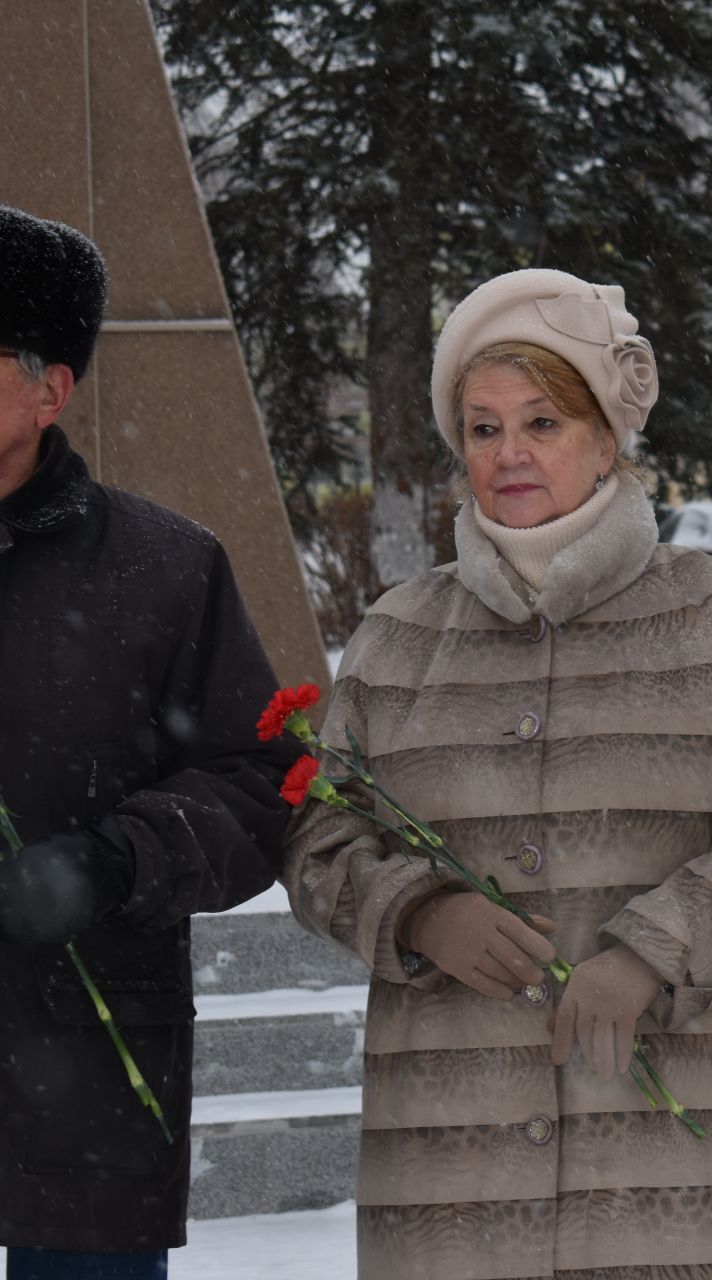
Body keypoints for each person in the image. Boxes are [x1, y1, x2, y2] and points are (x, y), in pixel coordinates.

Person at [282, 268, 712, 1279]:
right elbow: (322, 836)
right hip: (453, 1169)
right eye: (485, 426)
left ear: (605, 438)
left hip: (665, 1156)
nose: (509, 453)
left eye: (542, 421)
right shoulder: (396, 635)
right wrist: (416, 911)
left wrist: (654, 951)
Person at [0, 206, 294, 1277]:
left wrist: (115, 858)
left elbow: (261, 779)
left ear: (48, 389)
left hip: (84, 1063)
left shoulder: (163, 569)